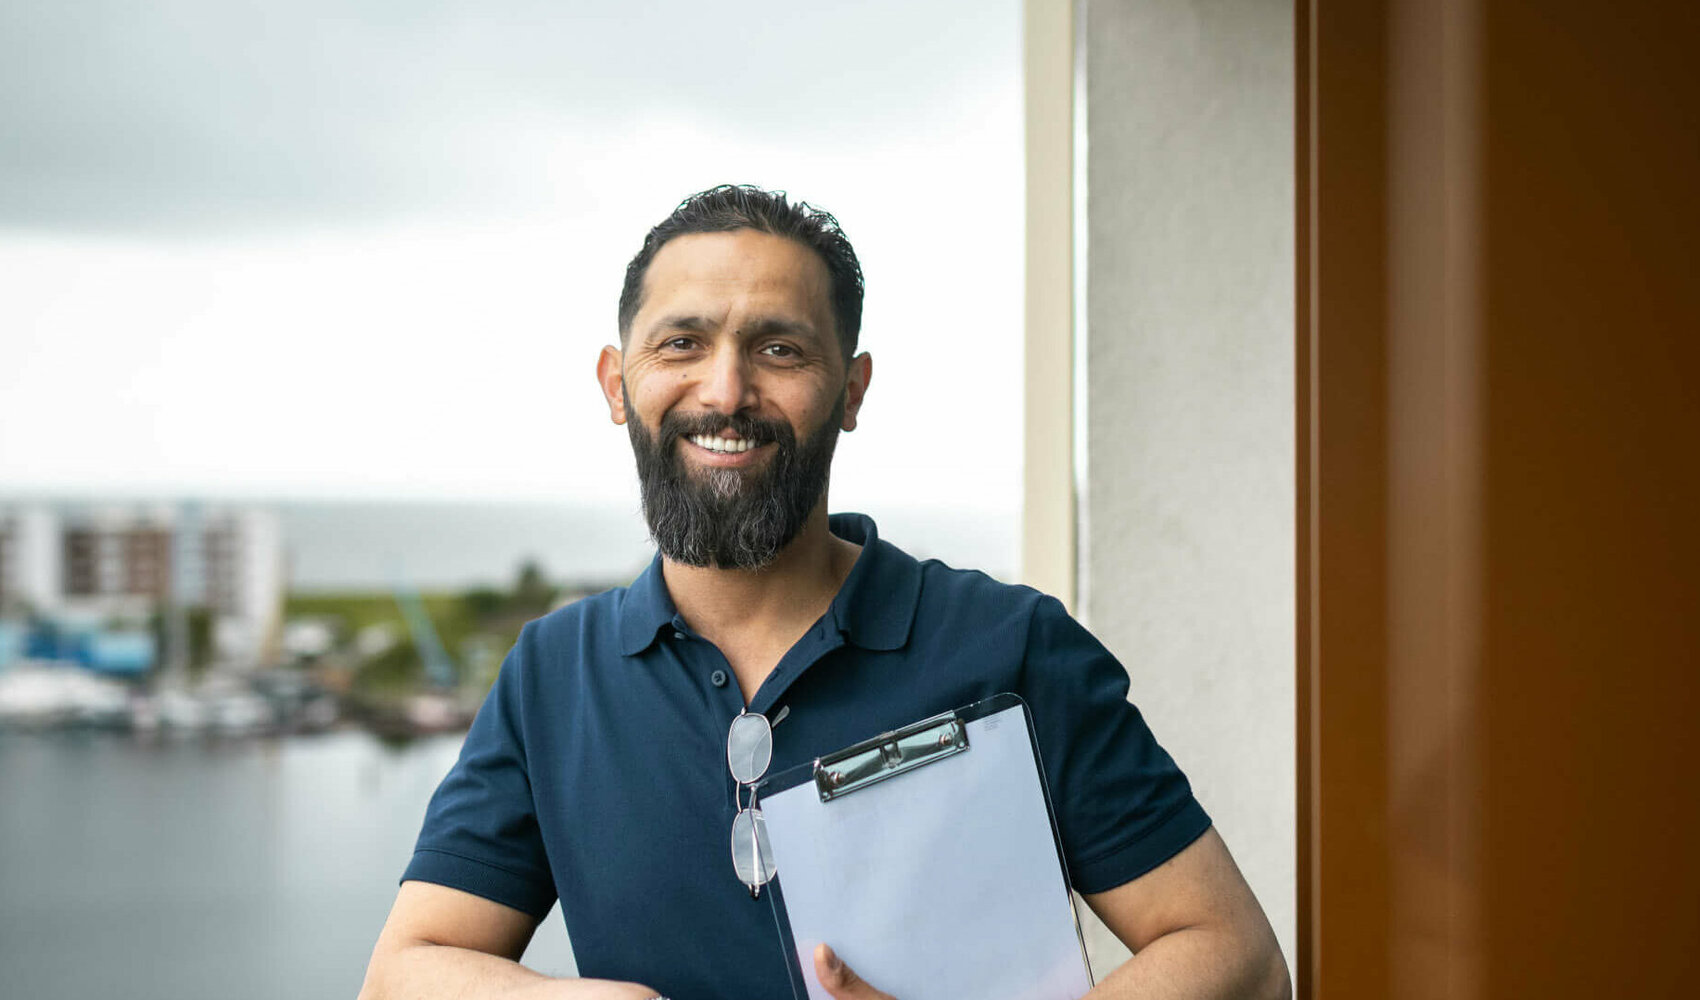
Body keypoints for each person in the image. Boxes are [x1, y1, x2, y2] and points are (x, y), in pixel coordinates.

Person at [358, 185, 1290, 1000]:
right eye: (681, 342)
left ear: (851, 390)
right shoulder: (552, 679)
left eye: (779, 349)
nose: (725, 391)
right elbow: (405, 973)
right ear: (616, 384)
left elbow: (1238, 958)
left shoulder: (1014, 647)